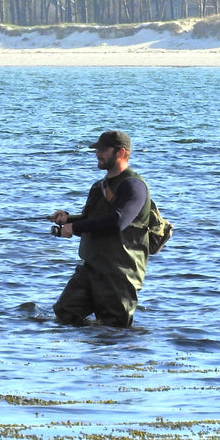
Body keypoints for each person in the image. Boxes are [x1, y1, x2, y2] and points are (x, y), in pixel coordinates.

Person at [50, 130, 152, 328]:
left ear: (121, 153)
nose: (98, 154)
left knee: (115, 330)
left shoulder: (134, 186)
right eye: (97, 149)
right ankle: (87, 354)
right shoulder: (99, 186)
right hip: (91, 269)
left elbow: (117, 222)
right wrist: (67, 220)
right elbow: (92, 221)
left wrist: (75, 226)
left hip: (119, 274)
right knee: (64, 315)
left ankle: (117, 357)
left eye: (103, 150)